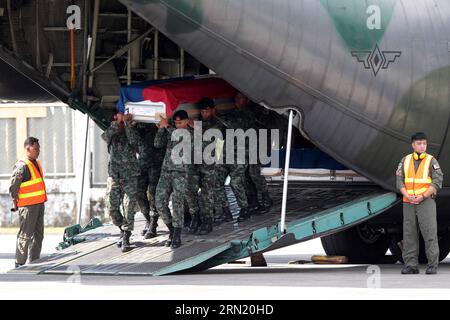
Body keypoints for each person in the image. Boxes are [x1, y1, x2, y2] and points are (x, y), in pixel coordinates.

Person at [396, 132, 444, 275]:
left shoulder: (431, 161)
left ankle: (432, 264)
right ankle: (411, 265)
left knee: (429, 232)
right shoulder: (405, 160)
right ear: (413, 145)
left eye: (424, 143)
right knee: (409, 233)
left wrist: (422, 196)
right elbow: (399, 181)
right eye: (419, 143)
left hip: (426, 201)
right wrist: (408, 196)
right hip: (408, 201)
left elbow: (437, 181)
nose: (422, 146)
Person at [155, 110, 195, 248]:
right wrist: (161, 128)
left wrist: (166, 126)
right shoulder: (170, 130)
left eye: (180, 122)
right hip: (166, 172)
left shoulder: (190, 133)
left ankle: (177, 235)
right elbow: (157, 144)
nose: (178, 125)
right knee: (159, 202)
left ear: (187, 121)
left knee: (177, 204)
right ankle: (171, 230)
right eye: (176, 123)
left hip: (180, 173)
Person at [102, 113, 140, 252]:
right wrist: (116, 123)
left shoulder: (131, 131)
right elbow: (105, 137)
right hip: (114, 176)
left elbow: (134, 142)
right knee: (112, 207)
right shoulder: (111, 134)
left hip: (130, 175)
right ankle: (121, 229)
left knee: (128, 205)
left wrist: (127, 124)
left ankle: (126, 236)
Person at [9, 137, 47, 268]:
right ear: (28, 149)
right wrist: (15, 200)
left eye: (39, 149)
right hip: (28, 206)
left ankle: (34, 261)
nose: (38, 151)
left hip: (39, 204)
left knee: (38, 235)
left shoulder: (36, 163)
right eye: (36, 149)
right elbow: (14, 187)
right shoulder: (22, 166)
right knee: (25, 235)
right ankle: (19, 262)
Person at [135, 122, 165, 239]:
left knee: (153, 193)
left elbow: (160, 143)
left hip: (156, 163)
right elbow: (134, 141)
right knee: (138, 192)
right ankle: (147, 218)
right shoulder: (139, 123)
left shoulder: (157, 121)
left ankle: (153, 223)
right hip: (142, 162)